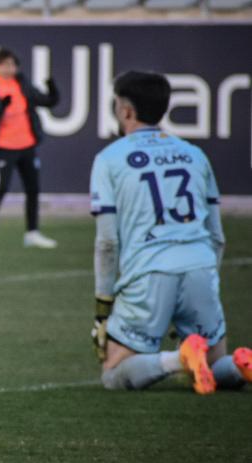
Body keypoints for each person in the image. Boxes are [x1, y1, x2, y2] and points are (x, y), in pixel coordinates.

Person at [90, 70, 251, 394]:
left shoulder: (109, 159)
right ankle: (242, 364)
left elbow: (108, 242)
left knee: (113, 373)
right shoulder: (194, 154)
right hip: (200, 268)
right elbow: (217, 235)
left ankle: (179, 359)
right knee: (217, 364)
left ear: (125, 110)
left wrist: (103, 310)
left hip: (148, 275)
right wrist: (205, 280)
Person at [0, 48, 60, 249]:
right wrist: (2, 105)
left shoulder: (23, 85)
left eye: (11, 64)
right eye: (3, 64)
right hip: (4, 147)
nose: (8, 68)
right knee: (0, 188)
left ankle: (32, 233)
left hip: (26, 145)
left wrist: (52, 87)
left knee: (33, 189)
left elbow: (48, 101)